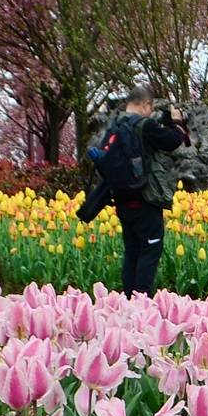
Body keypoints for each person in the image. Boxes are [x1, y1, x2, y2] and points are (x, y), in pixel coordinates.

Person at [87, 86, 188, 295]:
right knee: (150, 249)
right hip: (145, 200)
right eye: (150, 108)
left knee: (132, 250)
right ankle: (142, 301)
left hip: (122, 201)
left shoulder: (114, 128)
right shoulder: (145, 126)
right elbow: (173, 141)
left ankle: (128, 300)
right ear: (145, 105)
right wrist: (177, 121)